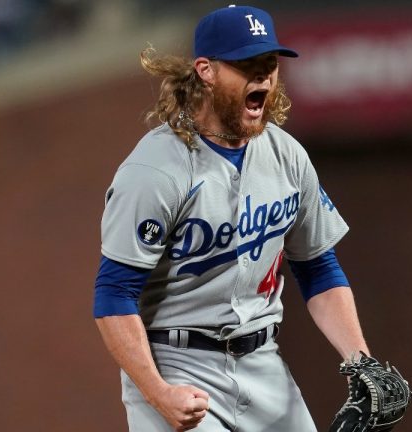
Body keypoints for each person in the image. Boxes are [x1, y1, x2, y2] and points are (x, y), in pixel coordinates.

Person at [94, 5, 370, 431]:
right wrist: (156, 391)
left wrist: (359, 360)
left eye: (268, 63)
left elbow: (317, 267)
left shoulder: (286, 156)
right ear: (205, 70)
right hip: (176, 362)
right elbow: (114, 295)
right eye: (246, 64)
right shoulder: (155, 170)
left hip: (263, 363)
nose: (262, 76)